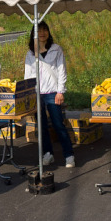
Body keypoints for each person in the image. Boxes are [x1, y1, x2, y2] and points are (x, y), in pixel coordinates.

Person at [24, 21, 74, 168]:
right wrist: (29, 94)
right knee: (42, 126)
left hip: (52, 92)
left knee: (58, 125)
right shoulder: (30, 53)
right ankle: (48, 154)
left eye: (45, 30)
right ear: (33, 34)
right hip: (37, 93)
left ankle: (69, 155)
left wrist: (60, 91)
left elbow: (61, 71)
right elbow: (28, 75)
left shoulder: (56, 49)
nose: (42, 33)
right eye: (38, 30)